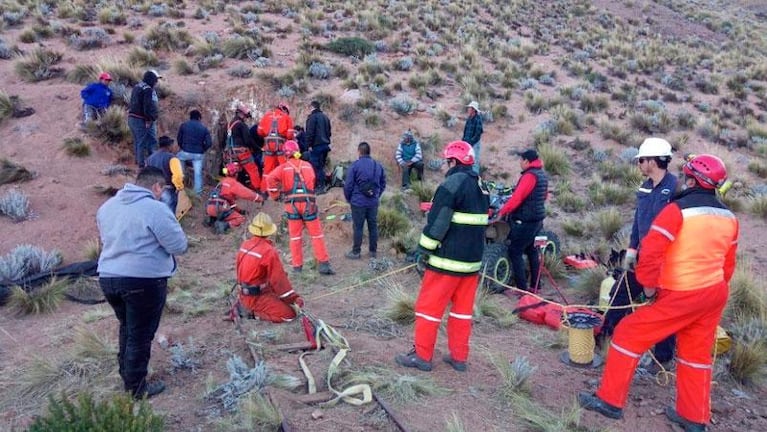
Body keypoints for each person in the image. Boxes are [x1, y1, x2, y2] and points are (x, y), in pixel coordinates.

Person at [579, 154, 738, 432]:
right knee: (696, 355)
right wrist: (714, 288)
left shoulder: (677, 211)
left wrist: (650, 288)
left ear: (691, 179)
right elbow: (728, 263)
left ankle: (609, 401)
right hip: (713, 293)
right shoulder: (728, 217)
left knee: (628, 333)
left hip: (682, 293)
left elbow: (651, 253)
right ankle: (694, 418)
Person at [395, 141, 489, 372]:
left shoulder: (452, 184)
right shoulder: (481, 186)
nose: (446, 165)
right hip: (472, 264)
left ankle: (422, 356)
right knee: (461, 312)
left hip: (446, 263)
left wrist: (423, 250)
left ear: (454, 161)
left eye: (448, 161)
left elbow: (437, 224)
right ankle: (459, 357)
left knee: (428, 309)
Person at [97, 167, 188, 399]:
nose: (161, 194)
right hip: (144, 280)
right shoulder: (155, 209)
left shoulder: (107, 207)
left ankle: (127, 374)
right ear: (157, 187)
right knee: (140, 333)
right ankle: (136, 388)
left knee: (128, 328)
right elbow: (179, 246)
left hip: (109, 277)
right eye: (162, 190)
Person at [602, 137, 678, 366]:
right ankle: (604, 337)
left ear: (653, 161)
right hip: (642, 256)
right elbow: (638, 220)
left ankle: (662, 358)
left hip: (665, 260)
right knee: (619, 293)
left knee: (663, 308)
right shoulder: (645, 186)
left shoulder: (675, 189)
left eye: (642, 160)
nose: (639, 164)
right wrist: (632, 250)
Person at [265, 140, 335, 275]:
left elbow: (270, 179)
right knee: (317, 235)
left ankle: (297, 267)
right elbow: (312, 181)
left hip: (292, 206)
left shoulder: (283, 168)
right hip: (309, 204)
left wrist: (275, 195)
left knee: (295, 237)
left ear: (286, 154)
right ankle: (323, 265)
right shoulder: (308, 166)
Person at [236, 212, 305, 322]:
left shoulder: (245, 245)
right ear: (269, 231)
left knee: (277, 298)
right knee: (289, 315)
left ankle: (245, 305)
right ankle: (251, 314)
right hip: (256, 297)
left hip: (244, 293)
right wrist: (293, 299)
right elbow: (278, 280)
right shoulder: (268, 251)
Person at [496, 149, 548, 293]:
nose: (519, 163)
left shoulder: (529, 176)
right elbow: (544, 196)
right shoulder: (542, 175)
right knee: (532, 250)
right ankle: (535, 286)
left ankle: (521, 289)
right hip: (538, 219)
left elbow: (517, 198)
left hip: (526, 220)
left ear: (526, 161)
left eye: (521, 160)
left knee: (515, 251)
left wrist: (502, 212)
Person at [344, 142, 386, 260]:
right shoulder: (378, 165)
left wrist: (349, 198)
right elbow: (383, 183)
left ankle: (356, 252)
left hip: (358, 202)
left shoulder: (355, 166)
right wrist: (377, 195)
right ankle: (373, 251)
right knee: (373, 226)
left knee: (358, 227)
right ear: (369, 151)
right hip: (373, 202)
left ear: (359, 151)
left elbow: (348, 185)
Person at [205, 162, 263, 234]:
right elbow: (247, 194)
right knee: (241, 218)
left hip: (210, 206)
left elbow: (230, 202)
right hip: (220, 208)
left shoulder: (222, 181)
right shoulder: (233, 183)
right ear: (236, 174)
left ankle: (212, 219)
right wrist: (259, 198)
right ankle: (224, 225)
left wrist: (239, 211)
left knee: (222, 211)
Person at [128, 69, 162, 168]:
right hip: (141, 119)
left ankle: (138, 161)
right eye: (155, 80)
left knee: (137, 140)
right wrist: (148, 119)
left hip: (132, 118)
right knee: (144, 141)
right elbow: (146, 106)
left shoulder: (137, 86)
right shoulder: (147, 89)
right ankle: (143, 165)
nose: (156, 82)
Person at [225, 104, 262, 191]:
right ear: (241, 114)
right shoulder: (241, 125)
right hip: (241, 151)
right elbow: (248, 140)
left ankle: (231, 189)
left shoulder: (230, 124)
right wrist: (257, 148)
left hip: (230, 152)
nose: (246, 118)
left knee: (233, 170)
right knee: (253, 169)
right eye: (246, 116)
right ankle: (256, 189)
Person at [176, 109, 213, 196]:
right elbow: (209, 143)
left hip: (185, 152)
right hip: (198, 154)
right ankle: (197, 194)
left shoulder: (184, 125)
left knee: (178, 159)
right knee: (198, 173)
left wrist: (183, 147)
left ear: (190, 117)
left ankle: (180, 185)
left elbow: (179, 139)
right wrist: (202, 150)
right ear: (199, 118)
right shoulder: (204, 128)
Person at [146, 136, 184, 214]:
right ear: (169, 146)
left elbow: (146, 173)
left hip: (153, 189)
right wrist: (179, 186)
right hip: (168, 189)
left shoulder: (150, 158)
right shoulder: (172, 158)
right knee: (168, 214)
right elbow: (178, 175)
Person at [257, 102, 295, 176]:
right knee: (284, 167)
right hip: (281, 146)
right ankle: (285, 185)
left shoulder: (266, 116)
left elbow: (259, 132)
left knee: (267, 169)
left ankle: (266, 186)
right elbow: (290, 135)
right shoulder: (287, 117)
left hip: (268, 145)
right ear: (285, 109)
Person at [305, 100, 332, 194]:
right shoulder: (325, 117)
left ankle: (319, 186)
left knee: (315, 167)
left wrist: (308, 145)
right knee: (321, 166)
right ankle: (323, 184)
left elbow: (310, 133)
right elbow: (329, 132)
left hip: (316, 146)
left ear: (312, 107)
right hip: (325, 145)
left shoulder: (312, 118)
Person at [462, 101, 483, 174]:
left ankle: (475, 178)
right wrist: (463, 141)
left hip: (474, 144)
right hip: (467, 143)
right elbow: (465, 131)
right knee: (467, 160)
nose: (468, 110)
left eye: (469, 108)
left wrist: (471, 142)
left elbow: (478, 133)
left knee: (474, 161)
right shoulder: (469, 118)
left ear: (473, 109)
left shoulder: (478, 119)